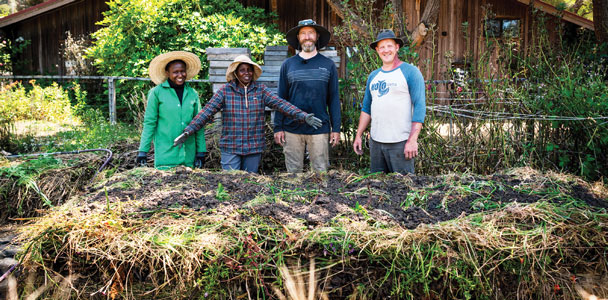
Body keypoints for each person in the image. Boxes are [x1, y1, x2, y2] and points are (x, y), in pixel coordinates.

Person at [173, 55, 322, 173]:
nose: (247, 73)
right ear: (236, 73)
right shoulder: (225, 91)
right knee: (230, 183)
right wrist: (189, 131)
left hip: (253, 146)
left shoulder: (260, 90)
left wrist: (303, 116)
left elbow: (281, 104)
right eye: (242, 70)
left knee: (249, 186)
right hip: (231, 146)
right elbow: (206, 112)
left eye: (249, 70)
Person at [352, 29, 426, 174]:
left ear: (397, 47)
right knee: (378, 189)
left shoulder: (410, 72)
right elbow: (367, 108)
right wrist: (358, 135)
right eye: (382, 47)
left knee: (402, 188)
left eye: (389, 46)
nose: (386, 50)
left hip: (400, 142)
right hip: (376, 143)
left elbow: (419, 106)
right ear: (377, 50)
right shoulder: (373, 76)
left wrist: (412, 140)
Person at [273, 19, 341, 173]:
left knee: (320, 174)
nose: (307, 36)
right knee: (293, 176)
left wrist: (336, 129)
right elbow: (280, 99)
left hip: (319, 129)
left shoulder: (328, 65)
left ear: (317, 36)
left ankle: (321, 198)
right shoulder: (288, 65)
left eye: (311, 32)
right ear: (298, 38)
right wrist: (278, 127)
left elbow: (334, 99)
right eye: (303, 33)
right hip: (291, 129)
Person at [137, 51, 207, 170]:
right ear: (167, 73)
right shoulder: (157, 93)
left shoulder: (192, 94)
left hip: (188, 157)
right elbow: (149, 123)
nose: (180, 75)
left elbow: (199, 123)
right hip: (165, 157)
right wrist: (143, 151)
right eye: (175, 72)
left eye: (182, 71)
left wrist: (201, 152)